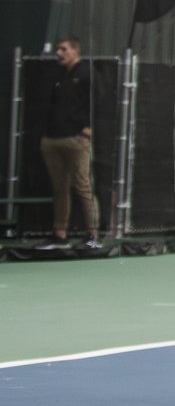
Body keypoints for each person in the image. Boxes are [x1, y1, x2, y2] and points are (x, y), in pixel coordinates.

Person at [38, 36, 101, 254]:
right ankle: (60, 235)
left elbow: (100, 102)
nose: (59, 53)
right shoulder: (58, 76)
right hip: (52, 139)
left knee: (83, 186)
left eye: (64, 49)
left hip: (76, 140)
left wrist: (89, 129)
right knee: (59, 188)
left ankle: (93, 237)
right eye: (57, 49)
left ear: (75, 50)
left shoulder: (86, 74)